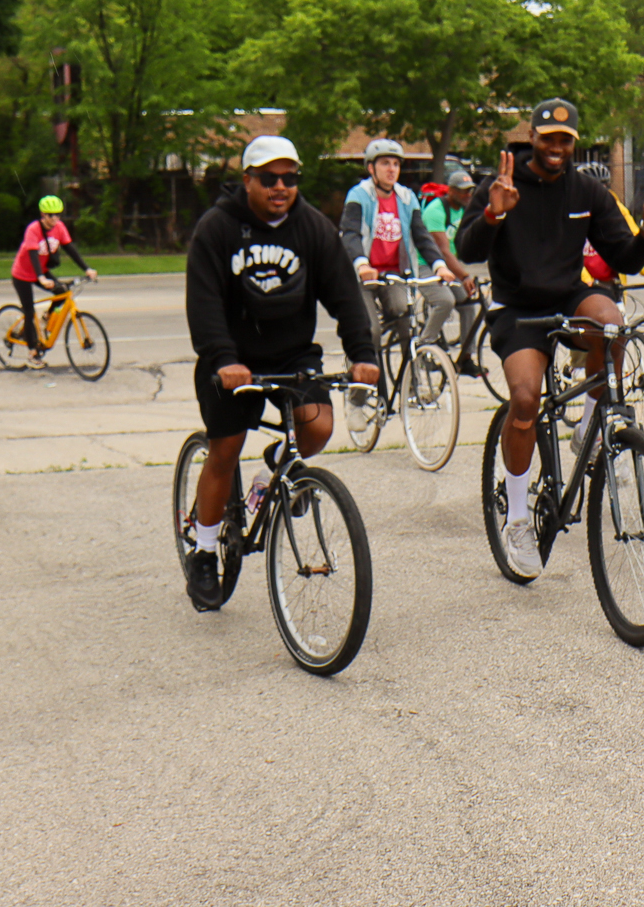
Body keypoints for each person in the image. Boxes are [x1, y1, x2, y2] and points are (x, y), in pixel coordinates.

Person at [456, 99, 644, 581]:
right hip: (516, 307)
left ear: (574, 142)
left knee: (611, 322)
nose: (556, 147)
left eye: (565, 140)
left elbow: (623, 255)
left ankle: (593, 422)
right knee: (525, 399)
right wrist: (493, 216)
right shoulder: (503, 183)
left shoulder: (587, 190)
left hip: (568, 296)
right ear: (532, 137)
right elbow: (465, 249)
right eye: (547, 138)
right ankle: (516, 519)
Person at [183, 136, 381, 612]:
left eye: (289, 178)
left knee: (317, 426)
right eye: (269, 178)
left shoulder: (312, 228)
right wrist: (225, 359)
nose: (280, 187)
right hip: (231, 360)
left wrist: (362, 352)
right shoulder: (217, 228)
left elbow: (344, 295)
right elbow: (205, 303)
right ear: (247, 180)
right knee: (225, 449)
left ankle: (273, 473)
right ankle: (205, 551)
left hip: (292, 356)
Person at [339, 138, 457, 348]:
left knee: (406, 322)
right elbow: (350, 234)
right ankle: (372, 378)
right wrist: (362, 264)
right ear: (371, 168)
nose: (391, 169)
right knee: (371, 331)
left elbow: (422, 236)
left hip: (393, 273)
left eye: (395, 164)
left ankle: (410, 379)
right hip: (362, 275)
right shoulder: (359, 195)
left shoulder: (406, 197)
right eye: (385, 163)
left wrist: (439, 266)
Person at [10, 195, 97, 369]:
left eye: (58, 215)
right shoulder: (33, 229)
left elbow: (70, 248)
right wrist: (41, 278)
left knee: (62, 293)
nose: (55, 219)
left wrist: (86, 268)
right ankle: (33, 353)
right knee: (29, 311)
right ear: (43, 214)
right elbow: (33, 255)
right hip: (23, 274)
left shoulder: (59, 228)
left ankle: (47, 317)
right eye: (51, 215)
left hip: (41, 271)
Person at [420, 167, 485, 376]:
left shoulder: (465, 209)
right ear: (451, 191)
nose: (468, 195)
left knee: (468, 305)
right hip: (426, 263)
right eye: (463, 191)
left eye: (470, 190)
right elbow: (443, 251)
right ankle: (424, 349)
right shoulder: (435, 211)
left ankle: (466, 358)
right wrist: (464, 275)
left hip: (448, 265)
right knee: (445, 301)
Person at [575, 161, 644, 304]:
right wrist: (587, 281)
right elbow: (569, 256)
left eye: (604, 187)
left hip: (612, 286)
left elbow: (633, 240)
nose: (600, 193)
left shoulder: (615, 209)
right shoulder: (574, 212)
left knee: (621, 323)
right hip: (582, 288)